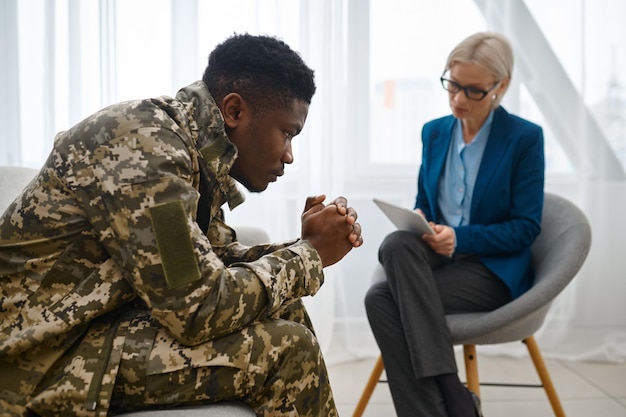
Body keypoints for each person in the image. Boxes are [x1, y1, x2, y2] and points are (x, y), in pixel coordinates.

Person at [0, 34, 363, 417]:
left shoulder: (191, 149)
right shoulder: (143, 148)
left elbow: (213, 262)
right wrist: (308, 256)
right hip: (36, 352)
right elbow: (196, 309)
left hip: (95, 326)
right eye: (287, 133)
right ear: (235, 111)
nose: (289, 155)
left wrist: (302, 245)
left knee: (287, 311)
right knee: (288, 349)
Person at [365, 31, 545, 417]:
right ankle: (454, 394)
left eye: (473, 91)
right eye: (452, 85)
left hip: (489, 270)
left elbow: (527, 227)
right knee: (396, 243)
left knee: (380, 300)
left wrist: (459, 238)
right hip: (435, 259)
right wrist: (423, 223)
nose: (458, 99)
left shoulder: (525, 139)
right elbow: (424, 202)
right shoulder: (433, 132)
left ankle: (437, 404)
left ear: (502, 86)